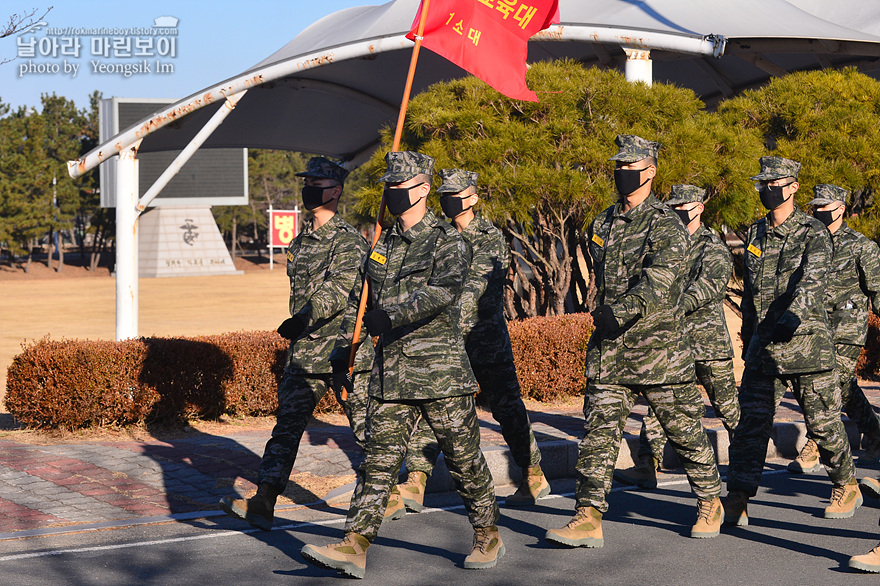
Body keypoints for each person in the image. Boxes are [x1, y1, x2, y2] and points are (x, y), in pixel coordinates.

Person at [300, 151, 503, 579]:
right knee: (378, 461)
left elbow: (442, 292)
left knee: (464, 461)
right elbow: (359, 306)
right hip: (391, 373)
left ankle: (487, 532)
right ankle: (354, 544)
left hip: (439, 372)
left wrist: (390, 316)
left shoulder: (450, 240)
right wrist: (343, 354)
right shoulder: (382, 243)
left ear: (424, 188)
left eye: (400, 186)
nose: (392, 194)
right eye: (388, 187)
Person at [545, 135, 724, 549]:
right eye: (618, 167)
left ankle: (710, 500)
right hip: (611, 352)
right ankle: (587, 516)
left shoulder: (667, 225)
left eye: (631, 167)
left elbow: (659, 281)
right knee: (597, 435)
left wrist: (620, 312)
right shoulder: (603, 222)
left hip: (658, 350)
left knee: (683, 432)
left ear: (651, 171)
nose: (622, 174)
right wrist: (605, 315)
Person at [383, 169, 548, 522]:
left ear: (473, 197)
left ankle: (532, 471)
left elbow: (473, 287)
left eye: (457, 193)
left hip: (484, 337)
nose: (449, 199)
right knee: (435, 403)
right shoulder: (434, 236)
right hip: (445, 341)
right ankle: (416, 480)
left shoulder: (489, 237)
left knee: (507, 408)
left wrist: (443, 316)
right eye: (444, 193)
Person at [219, 157, 370, 530]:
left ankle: (393, 492)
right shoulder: (301, 241)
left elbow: (338, 290)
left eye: (316, 183)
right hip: (305, 354)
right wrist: (300, 326)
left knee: (368, 430)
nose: (309, 189)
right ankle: (264, 501)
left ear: (335, 191)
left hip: (341, 351)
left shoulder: (349, 240)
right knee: (285, 429)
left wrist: (305, 316)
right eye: (307, 183)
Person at [723, 158, 860, 527]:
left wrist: (792, 317)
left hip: (804, 345)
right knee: (750, 424)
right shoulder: (754, 234)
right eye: (762, 184)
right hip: (764, 350)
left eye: (775, 182)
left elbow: (813, 281)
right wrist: (749, 338)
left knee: (823, 423)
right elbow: (750, 294)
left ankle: (845, 483)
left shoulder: (814, 233)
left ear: (793, 186)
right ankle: (737, 496)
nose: (768, 189)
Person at [615, 184, 740, 490]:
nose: (675, 211)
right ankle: (647, 464)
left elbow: (707, 287)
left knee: (727, 407)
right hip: (673, 340)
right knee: (660, 404)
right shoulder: (667, 242)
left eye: (681, 206)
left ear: (697, 208)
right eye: (672, 206)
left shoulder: (712, 246)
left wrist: (670, 306)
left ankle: (746, 459)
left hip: (706, 342)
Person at [787, 184, 880, 476]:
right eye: (815, 207)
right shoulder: (807, 242)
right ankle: (874, 432)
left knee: (831, 384)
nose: (817, 212)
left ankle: (815, 445)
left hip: (846, 329)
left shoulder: (861, 246)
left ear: (840, 208)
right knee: (838, 387)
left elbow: (877, 290)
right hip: (813, 327)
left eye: (823, 207)